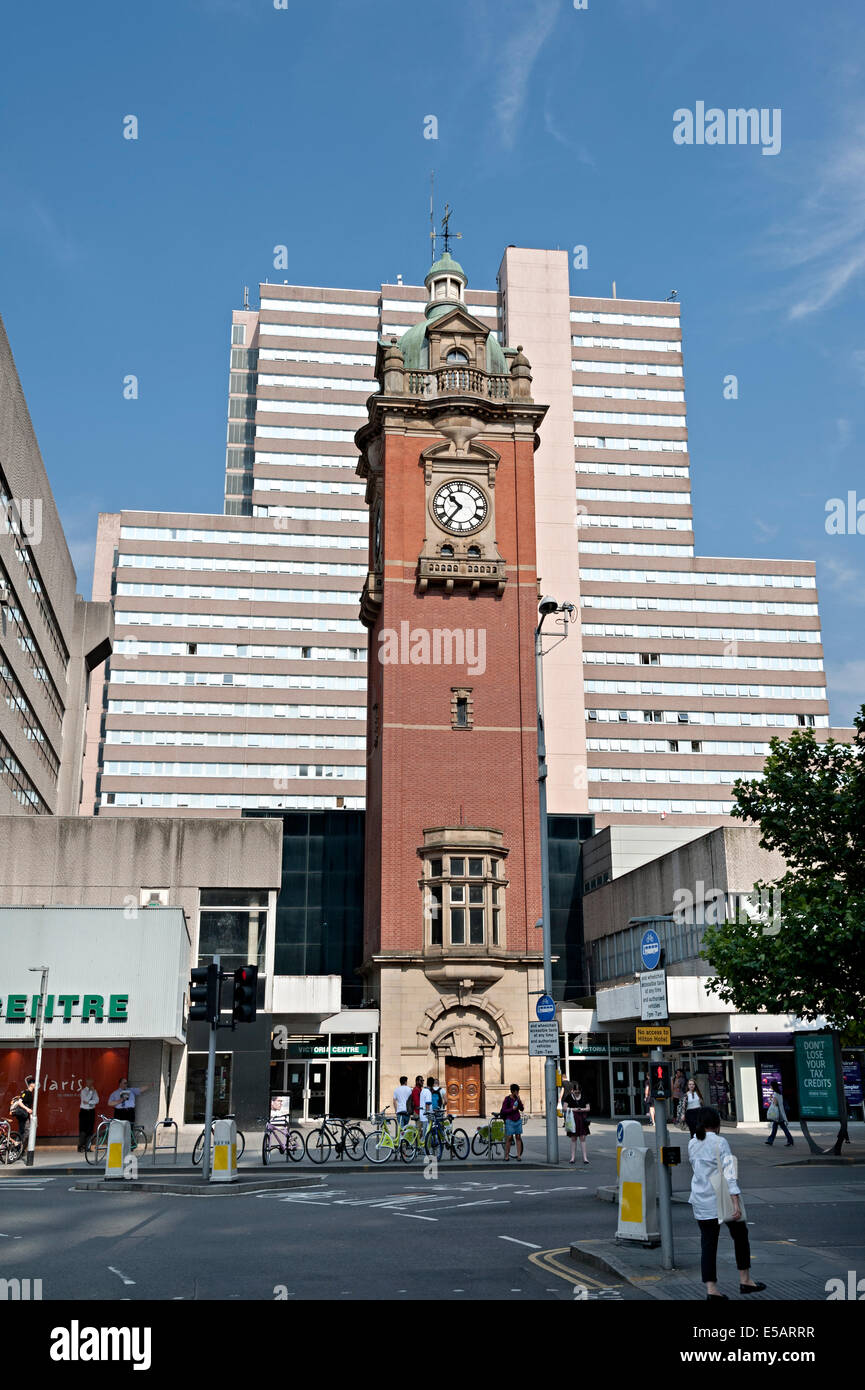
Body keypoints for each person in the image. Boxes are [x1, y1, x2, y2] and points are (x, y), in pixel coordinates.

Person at [688, 1105, 766, 1300]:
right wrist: (736, 1203)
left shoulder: (692, 1143)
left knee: (708, 1244)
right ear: (717, 1124)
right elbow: (730, 1176)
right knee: (740, 1237)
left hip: (700, 1199)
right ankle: (745, 1280)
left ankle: (712, 1290)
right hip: (720, 1199)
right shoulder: (720, 1142)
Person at [562, 1079, 591, 1165]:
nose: (577, 1093)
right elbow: (564, 1108)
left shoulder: (584, 1097)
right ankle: (572, 1157)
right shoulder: (568, 1097)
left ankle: (585, 1158)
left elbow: (588, 1108)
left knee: (582, 1138)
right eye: (575, 1092)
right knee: (573, 1138)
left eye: (578, 1092)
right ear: (572, 1090)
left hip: (582, 1119)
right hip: (572, 1119)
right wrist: (574, 1109)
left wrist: (581, 1109)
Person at [501, 1083, 524, 1161]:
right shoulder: (507, 1099)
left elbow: (522, 1109)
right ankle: (506, 1156)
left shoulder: (517, 1099)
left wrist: (519, 1100)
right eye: (516, 1091)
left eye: (518, 1091)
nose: (517, 1093)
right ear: (512, 1091)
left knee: (518, 1137)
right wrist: (512, 1109)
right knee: (509, 1138)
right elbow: (504, 1110)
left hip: (517, 1119)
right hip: (509, 1120)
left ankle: (519, 1156)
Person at [77, 1077, 99, 1152]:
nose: (91, 1084)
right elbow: (85, 1100)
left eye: (92, 1082)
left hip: (91, 1112)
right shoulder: (83, 1091)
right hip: (84, 1111)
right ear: (87, 1082)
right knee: (83, 1130)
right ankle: (80, 1147)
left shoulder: (94, 1091)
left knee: (90, 1130)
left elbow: (97, 1100)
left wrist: (89, 1102)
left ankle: (88, 1147)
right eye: (89, 1082)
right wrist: (90, 1093)